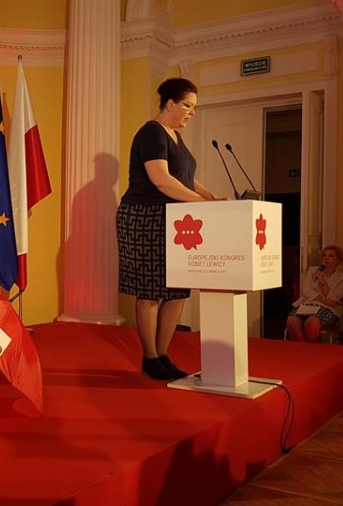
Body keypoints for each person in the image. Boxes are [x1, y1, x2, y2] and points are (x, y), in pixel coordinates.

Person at [116, 78, 224, 381]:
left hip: (174, 220)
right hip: (145, 217)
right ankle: (150, 357)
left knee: (177, 291)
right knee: (151, 290)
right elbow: (162, 180)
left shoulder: (175, 136)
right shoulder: (152, 132)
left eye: (194, 107)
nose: (192, 112)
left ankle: (163, 355)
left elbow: (185, 177)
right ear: (170, 103)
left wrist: (212, 198)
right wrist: (204, 205)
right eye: (187, 105)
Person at [286, 245, 343, 343]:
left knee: (312, 322)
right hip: (307, 305)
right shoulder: (312, 270)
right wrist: (325, 300)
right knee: (292, 321)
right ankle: (303, 349)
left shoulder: (342, 278)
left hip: (327, 309)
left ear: (338, 260)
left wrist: (322, 281)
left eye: (331, 256)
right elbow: (306, 290)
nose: (326, 258)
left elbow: (335, 299)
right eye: (324, 255)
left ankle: (310, 350)